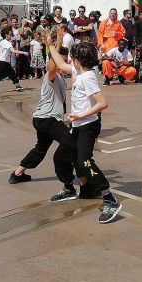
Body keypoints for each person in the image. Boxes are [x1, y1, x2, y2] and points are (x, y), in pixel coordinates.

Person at [48, 38, 122, 224]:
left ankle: (109, 198)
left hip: (88, 126)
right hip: (77, 125)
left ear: (79, 60)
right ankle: (72, 188)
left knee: (85, 161)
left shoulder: (88, 78)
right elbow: (61, 64)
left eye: (73, 58)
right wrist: (49, 44)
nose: (70, 61)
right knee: (61, 158)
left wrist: (80, 116)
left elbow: (102, 103)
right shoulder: (78, 72)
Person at [9, 45, 72, 184]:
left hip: (44, 119)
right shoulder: (51, 76)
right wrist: (54, 45)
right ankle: (74, 178)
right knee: (71, 142)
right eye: (61, 60)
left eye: (66, 59)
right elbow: (52, 66)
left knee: (40, 148)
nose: (64, 62)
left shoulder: (61, 78)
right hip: (48, 119)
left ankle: (17, 174)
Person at [0, 27, 27, 93]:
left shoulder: (2, 42)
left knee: (12, 73)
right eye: (10, 34)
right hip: (3, 61)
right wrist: (23, 52)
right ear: (6, 35)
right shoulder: (8, 43)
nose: (11, 35)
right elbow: (13, 51)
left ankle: (17, 85)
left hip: (4, 61)